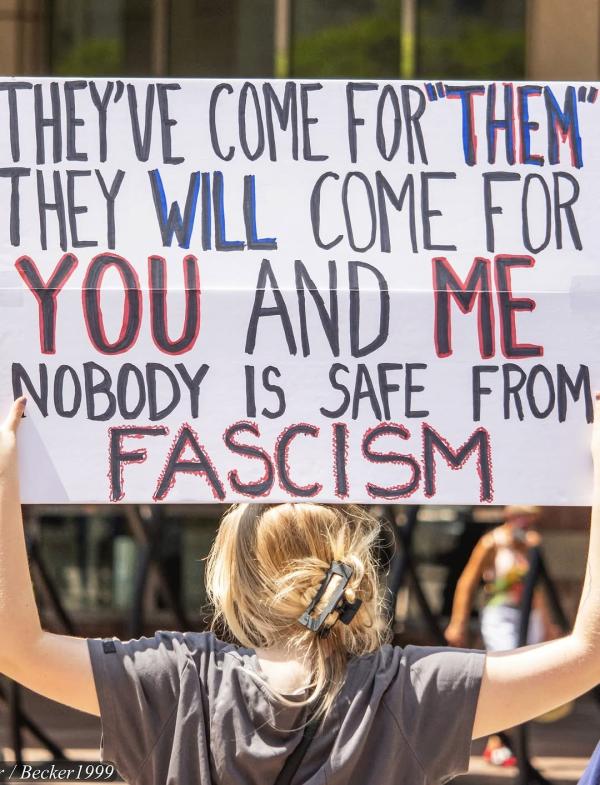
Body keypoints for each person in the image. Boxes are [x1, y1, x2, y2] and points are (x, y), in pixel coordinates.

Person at [1, 396, 600, 785]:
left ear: (230, 572)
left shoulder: (172, 682)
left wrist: (4, 478)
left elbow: (16, 647)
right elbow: (588, 654)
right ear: (356, 563)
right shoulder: (412, 692)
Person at [444, 505, 560, 767]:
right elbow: (468, 582)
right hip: (501, 613)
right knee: (509, 671)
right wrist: (458, 622)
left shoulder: (531, 544)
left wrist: (548, 624)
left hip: (529, 614)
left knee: (530, 676)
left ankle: (509, 741)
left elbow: (538, 587)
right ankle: (498, 740)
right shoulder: (492, 542)